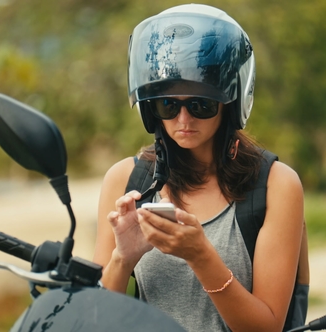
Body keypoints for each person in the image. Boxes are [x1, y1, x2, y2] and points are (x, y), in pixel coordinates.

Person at [93, 4, 306, 332]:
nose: (183, 119)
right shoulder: (126, 180)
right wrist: (123, 259)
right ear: (151, 110)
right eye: (168, 104)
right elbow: (96, 319)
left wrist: (201, 256)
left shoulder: (275, 184)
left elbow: (267, 327)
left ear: (229, 105)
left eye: (200, 105)